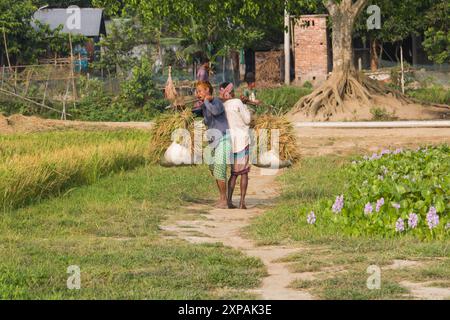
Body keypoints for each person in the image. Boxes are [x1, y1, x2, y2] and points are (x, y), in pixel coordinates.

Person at [195, 81, 232, 209]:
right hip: (214, 141)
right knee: (213, 168)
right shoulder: (204, 106)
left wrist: (206, 101)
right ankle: (222, 198)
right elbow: (196, 113)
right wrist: (182, 109)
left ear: (207, 90)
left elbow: (215, 112)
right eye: (197, 92)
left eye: (200, 91)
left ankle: (224, 201)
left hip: (224, 139)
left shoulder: (217, 102)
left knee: (219, 168)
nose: (197, 94)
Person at [219, 82, 252, 209]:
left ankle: (229, 200)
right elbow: (247, 120)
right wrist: (246, 106)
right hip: (242, 141)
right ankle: (242, 202)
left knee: (234, 173)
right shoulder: (238, 102)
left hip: (230, 142)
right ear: (231, 92)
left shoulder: (222, 106)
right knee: (243, 173)